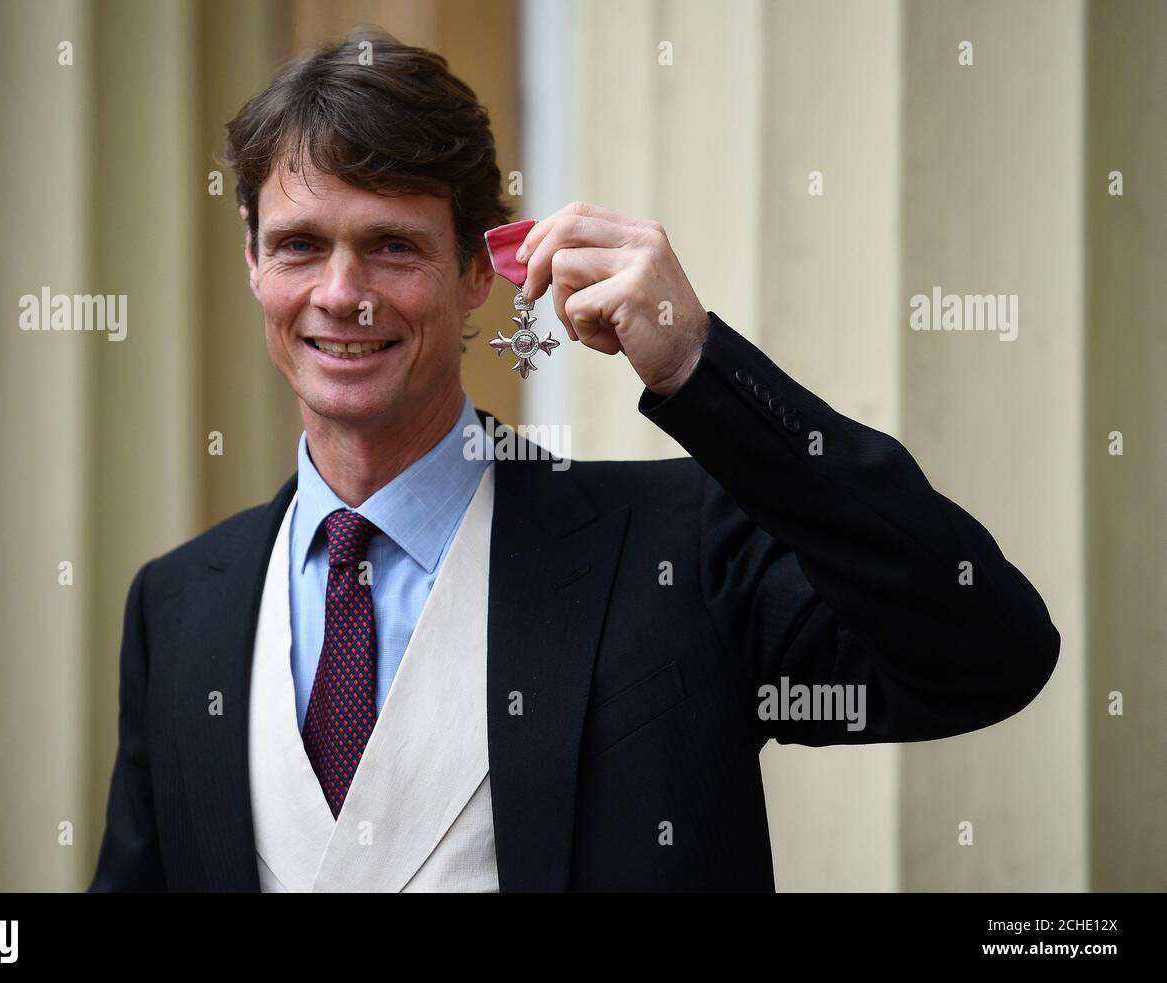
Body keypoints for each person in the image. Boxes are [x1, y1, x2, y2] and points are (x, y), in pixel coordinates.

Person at [89, 29, 1059, 892]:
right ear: (253, 260)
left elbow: (988, 652)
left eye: (392, 246)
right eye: (300, 245)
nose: (342, 294)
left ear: (480, 268)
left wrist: (697, 366)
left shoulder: (677, 547)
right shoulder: (178, 603)